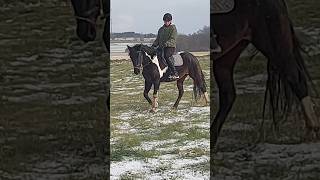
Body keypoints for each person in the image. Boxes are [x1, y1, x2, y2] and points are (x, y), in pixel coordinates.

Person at [152, 13, 179, 80]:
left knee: (166, 56)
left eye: (168, 21)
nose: (166, 22)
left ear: (170, 21)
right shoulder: (161, 29)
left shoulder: (173, 28)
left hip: (170, 47)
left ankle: (174, 73)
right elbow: (158, 39)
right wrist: (153, 45)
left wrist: (166, 44)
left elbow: (173, 39)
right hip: (161, 47)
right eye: (165, 21)